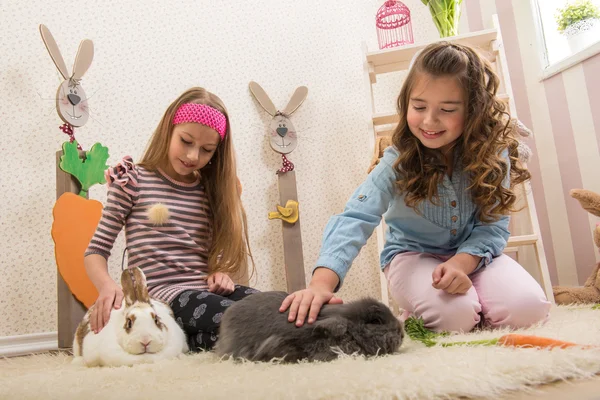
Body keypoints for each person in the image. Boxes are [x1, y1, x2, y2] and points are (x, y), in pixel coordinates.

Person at [281, 42, 551, 333]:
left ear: (474, 110)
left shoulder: (493, 156)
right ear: (406, 102)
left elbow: (493, 227)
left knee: (529, 311)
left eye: (447, 109)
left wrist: (462, 263)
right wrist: (321, 284)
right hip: (412, 256)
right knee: (454, 318)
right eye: (419, 106)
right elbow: (356, 217)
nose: (429, 121)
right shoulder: (398, 160)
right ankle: (438, 312)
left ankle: (477, 308)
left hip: (477, 257)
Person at [84, 87, 259, 351]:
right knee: (238, 316)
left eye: (207, 150)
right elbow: (96, 250)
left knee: (272, 305)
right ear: (169, 128)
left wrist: (219, 271)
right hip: (162, 296)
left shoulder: (209, 190)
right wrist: (106, 286)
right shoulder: (133, 181)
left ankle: (195, 340)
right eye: (186, 141)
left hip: (204, 293)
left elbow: (211, 249)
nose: (193, 156)